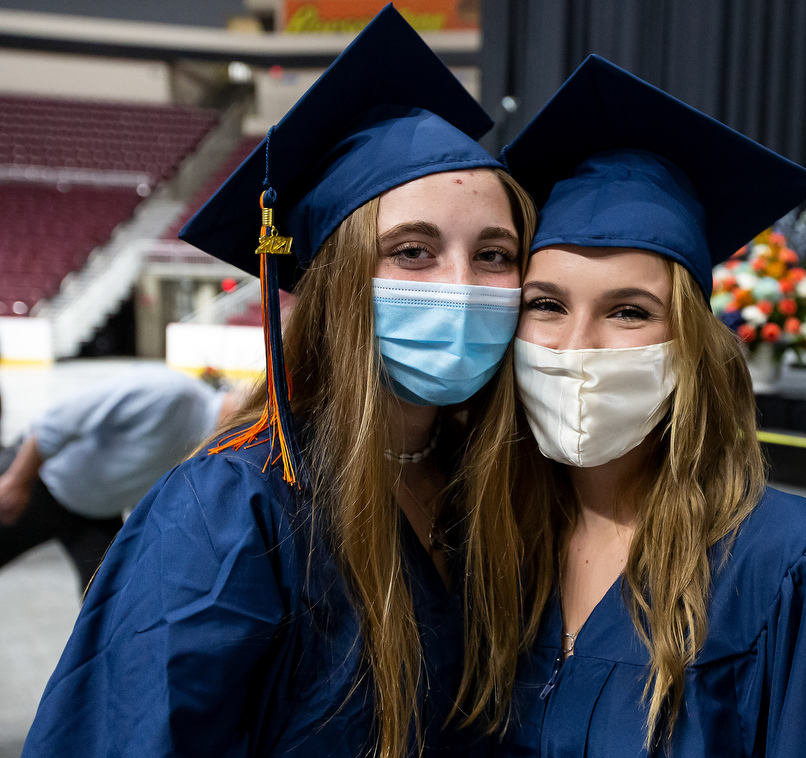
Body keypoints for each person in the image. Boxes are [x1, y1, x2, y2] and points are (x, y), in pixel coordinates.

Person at [22, 8, 533, 758]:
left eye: (494, 255)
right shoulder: (231, 508)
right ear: (336, 283)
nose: (462, 287)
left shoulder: (489, 487)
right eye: (413, 251)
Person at [494, 56, 806, 756]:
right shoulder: (496, 546)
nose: (576, 346)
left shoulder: (793, 569)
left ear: (689, 343)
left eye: (629, 312)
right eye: (545, 305)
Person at [0, 364, 236, 590]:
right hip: (39, 480)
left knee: (111, 601)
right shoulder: (169, 392)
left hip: (98, 513)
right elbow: (58, 421)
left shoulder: (209, 451)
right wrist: (17, 481)